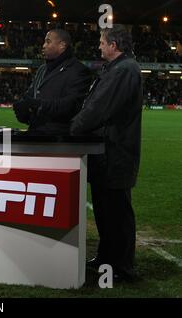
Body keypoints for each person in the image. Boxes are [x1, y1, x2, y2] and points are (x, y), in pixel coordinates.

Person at [70, 25, 143, 282]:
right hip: (106, 151)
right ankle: (106, 257)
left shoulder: (125, 70)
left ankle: (122, 265)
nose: (99, 46)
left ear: (114, 45)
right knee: (104, 208)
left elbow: (98, 109)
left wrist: (74, 128)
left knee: (117, 211)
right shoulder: (118, 68)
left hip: (116, 151)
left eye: (102, 42)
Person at [13, 29, 91, 134]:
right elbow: (31, 97)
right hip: (34, 135)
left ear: (62, 45)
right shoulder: (42, 69)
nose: (43, 45)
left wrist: (38, 104)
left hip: (58, 139)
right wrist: (23, 110)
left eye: (48, 42)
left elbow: (70, 105)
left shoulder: (78, 70)